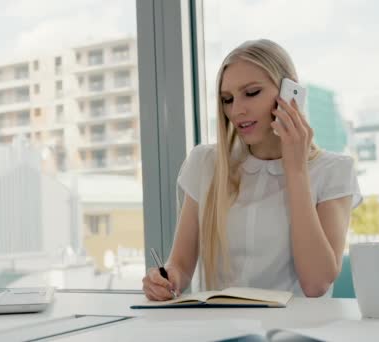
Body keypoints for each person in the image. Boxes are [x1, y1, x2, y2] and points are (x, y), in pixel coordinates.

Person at [142, 39, 362, 300]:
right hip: (220, 330)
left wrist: (296, 170)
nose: (236, 110)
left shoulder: (333, 171)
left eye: (252, 92)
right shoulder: (205, 164)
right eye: (227, 99)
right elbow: (179, 266)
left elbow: (315, 284)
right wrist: (164, 279)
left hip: (293, 335)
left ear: (290, 92)